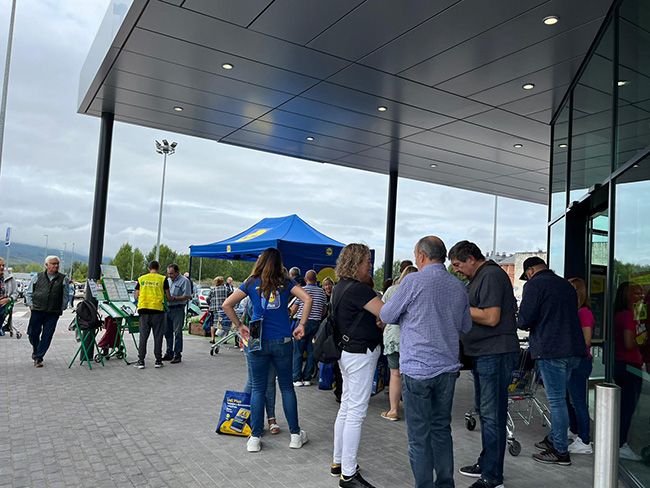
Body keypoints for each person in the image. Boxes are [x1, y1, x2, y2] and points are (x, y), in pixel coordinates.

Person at [380, 236, 471, 488]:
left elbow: (386, 314)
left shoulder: (412, 281)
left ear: (421, 255)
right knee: (441, 429)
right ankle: (445, 484)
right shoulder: (458, 286)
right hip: (447, 369)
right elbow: (466, 326)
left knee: (419, 435)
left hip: (417, 369)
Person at [222, 248, 312, 453]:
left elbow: (227, 305)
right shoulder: (286, 282)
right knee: (287, 388)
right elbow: (307, 299)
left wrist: (239, 326)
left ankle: (254, 438)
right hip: (282, 340)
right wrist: (302, 325)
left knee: (258, 388)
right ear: (279, 262)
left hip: (256, 340)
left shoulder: (251, 282)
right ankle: (295, 436)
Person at [449, 241, 519, 488]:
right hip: (484, 353)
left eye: (458, 264)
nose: (456, 270)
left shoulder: (490, 275)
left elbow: (491, 317)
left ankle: (492, 477)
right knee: (486, 412)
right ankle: (487, 462)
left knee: (492, 416)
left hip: (495, 353)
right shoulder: (480, 277)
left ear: (471, 258)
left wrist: (459, 307)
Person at [517, 257, 586, 466]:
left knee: (556, 401)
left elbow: (524, 320)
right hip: (573, 349)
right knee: (562, 400)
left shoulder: (534, 285)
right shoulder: (566, 285)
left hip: (551, 349)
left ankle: (560, 451)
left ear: (530, 271)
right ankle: (555, 439)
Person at [329, 243, 385, 488]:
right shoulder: (360, 290)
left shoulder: (340, 286)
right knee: (356, 412)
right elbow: (387, 313)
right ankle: (348, 474)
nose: (369, 267)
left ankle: (338, 462)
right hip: (361, 353)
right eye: (367, 262)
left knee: (347, 407)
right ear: (356, 263)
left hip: (346, 352)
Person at [380, 264, 418, 422]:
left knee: (395, 374)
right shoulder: (419, 291)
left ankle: (394, 410)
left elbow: (382, 313)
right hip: (413, 338)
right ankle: (414, 410)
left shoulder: (392, 290)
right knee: (412, 375)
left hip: (393, 337)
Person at [613, 282, 645, 461]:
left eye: (641, 293)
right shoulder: (628, 316)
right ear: (626, 296)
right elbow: (629, 343)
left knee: (623, 406)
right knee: (627, 407)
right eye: (636, 293)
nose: (641, 296)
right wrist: (643, 339)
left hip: (622, 364)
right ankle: (620, 444)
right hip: (629, 366)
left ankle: (618, 441)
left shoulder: (623, 314)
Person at [241, 295, 281, 434]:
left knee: (260, 381)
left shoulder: (255, 294)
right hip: (259, 340)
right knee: (259, 381)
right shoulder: (259, 295)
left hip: (258, 340)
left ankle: (249, 418)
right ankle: (256, 419)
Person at [566, 277, 594, 455]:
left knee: (578, 402)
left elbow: (587, 340)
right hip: (575, 360)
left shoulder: (583, 312)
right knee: (571, 400)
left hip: (580, 361)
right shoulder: (576, 311)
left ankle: (584, 440)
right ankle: (575, 430)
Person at [25, 256, 70, 367]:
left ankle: (38, 357)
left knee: (47, 335)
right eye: (53, 263)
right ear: (46, 265)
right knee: (32, 333)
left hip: (53, 312)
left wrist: (62, 307)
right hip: (37, 310)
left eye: (57, 264)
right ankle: (36, 349)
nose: (56, 266)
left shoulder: (63, 278)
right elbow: (29, 292)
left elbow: (66, 295)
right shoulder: (37, 277)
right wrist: (31, 305)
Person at [291, 269, 328, 386]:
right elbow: (324, 309)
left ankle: (296, 378)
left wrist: (290, 316)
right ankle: (307, 378)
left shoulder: (302, 290)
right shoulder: (322, 292)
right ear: (316, 279)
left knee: (298, 351)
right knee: (311, 351)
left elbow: (294, 308)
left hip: (302, 323)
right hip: (315, 323)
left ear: (305, 279)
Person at [134, 260, 172, 369]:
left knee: (143, 337)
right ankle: (158, 361)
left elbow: (136, 295)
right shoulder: (163, 279)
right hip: (158, 311)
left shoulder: (141, 279)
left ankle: (141, 361)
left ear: (148, 268)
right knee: (158, 337)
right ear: (158, 268)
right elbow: (168, 296)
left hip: (144, 310)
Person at [164, 264, 192, 363]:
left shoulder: (185, 281)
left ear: (177, 272)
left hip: (178, 309)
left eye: (171, 273)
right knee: (167, 332)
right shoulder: (167, 280)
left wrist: (174, 298)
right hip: (167, 309)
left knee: (177, 332)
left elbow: (187, 296)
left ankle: (177, 354)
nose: (170, 275)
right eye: (168, 273)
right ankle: (169, 352)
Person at [322, 276, 343, 402]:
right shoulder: (324, 298)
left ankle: (338, 389)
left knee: (337, 362)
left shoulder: (335, 297)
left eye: (329, 284)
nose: (328, 287)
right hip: (329, 332)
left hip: (335, 333)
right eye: (325, 285)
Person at [207, 276, 229, 343]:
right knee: (225, 323)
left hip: (214, 308)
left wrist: (210, 304)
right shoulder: (226, 289)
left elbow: (208, 298)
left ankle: (213, 339)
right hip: (224, 309)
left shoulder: (213, 289)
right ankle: (224, 339)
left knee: (213, 323)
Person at [0, 258, 18, 336]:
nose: (1, 267)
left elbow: (15, 293)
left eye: (3, 265)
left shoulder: (10, 278)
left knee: (3, 309)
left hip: (5, 303)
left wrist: (8, 299)